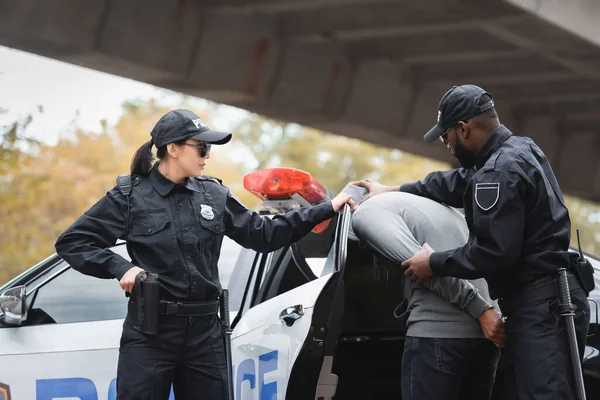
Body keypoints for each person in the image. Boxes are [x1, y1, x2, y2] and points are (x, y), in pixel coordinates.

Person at [54, 109, 354, 400]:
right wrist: (121, 268)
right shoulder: (129, 196)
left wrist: (326, 209)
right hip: (151, 333)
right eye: (202, 148)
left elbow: (264, 235)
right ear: (173, 148)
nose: (207, 156)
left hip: (205, 333)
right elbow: (74, 242)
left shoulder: (214, 195)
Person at [353, 84, 590, 400]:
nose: (447, 144)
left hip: (541, 307)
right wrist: (396, 189)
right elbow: (461, 183)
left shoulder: (497, 173)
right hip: (553, 299)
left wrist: (432, 263)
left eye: (445, 136)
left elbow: (493, 254)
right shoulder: (521, 150)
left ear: (463, 130)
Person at [351, 190, 502, 400]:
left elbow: (425, 268)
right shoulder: (440, 208)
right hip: (487, 339)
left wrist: (481, 310)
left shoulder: (365, 214)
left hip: (438, 338)